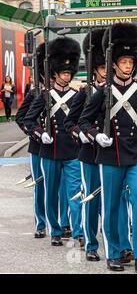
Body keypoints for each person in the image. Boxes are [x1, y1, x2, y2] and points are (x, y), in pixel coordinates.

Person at [78, 22, 137, 274]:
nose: (127, 66)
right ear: (114, 64)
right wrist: (95, 136)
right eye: (123, 61)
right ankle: (113, 253)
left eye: (130, 62)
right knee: (111, 205)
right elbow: (84, 121)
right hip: (110, 155)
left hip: (136, 155)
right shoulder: (102, 92)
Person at [63, 28, 133, 263]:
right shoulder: (85, 93)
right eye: (102, 69)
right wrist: (82, 135)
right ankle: (91, 243)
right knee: (92, 200)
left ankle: (123, 245)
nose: (106, 72)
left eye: (107, 68)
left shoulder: (122, 90)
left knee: (118, 202)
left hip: (114, 153)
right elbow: (70, 122)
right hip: (91, 154)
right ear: (96, 70)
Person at [23, 37, 84, 248]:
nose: (67, 76)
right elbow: (29, 120)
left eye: (69, 73)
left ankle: (78, 231)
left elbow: (82, 120)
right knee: (50, 192)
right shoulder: (45, 96)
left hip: (72, 151)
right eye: (64, 73)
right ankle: (55, 230)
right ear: (55, 73)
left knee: (75, 192)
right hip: (50, 151)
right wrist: (40, 134)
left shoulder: (77, 96)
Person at [16, 43, 46, 239]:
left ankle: (64, 222)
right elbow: (21, 117)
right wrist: (36, 133)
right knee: (40, 186)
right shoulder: (36, 92)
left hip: (64, 147)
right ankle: (41, 223)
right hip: (38, 147)